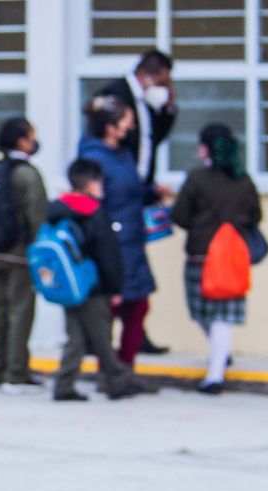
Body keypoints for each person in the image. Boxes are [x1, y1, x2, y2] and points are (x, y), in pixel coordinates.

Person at [97, 49, 177, 355]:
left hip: (136, 191)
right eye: (163, 82)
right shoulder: (115, 94)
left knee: (135, 284)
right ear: (148, 75)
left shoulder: (145, 103)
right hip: (122, 198)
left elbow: (154, 138)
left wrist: (167, 107)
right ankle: (104, 345)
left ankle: (132, 340)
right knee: (120, 282)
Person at [171, 124, 262, 395]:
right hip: (233, 258)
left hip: (200, 256)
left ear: (207, 149)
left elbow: (180, 216)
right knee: (224, 315)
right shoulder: (244, 181)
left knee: (203, 313)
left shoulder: (196, 179)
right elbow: (256, 216)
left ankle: (216, 367)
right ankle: (219, 361)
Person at [78, 95, 161, 382]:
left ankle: (125, 369)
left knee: (137, 307)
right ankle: (110, 372)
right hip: (111, 245)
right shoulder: (93, 159)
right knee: (109, 309)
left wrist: (152, 193)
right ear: (110, 126)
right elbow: (91, 204)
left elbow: (129, 192)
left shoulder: (123, 155)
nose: (131, 126)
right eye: (126, 121)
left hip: (133, 241)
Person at [48, 159, 145, 401]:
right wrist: (116, 288)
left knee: (76, 337)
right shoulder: (94, 212)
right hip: (94, 285)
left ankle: (64, 384)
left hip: (69, 284)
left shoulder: (56, 209)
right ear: (90, 183)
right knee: (102, 337)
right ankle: (117, 381)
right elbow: (107, 254)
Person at [0, 116, 47, 394]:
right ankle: (16, 374)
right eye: (31, 136)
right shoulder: (27, 174)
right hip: (19, 256)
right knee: (20, 312)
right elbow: (37, 216)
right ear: (22, 141)